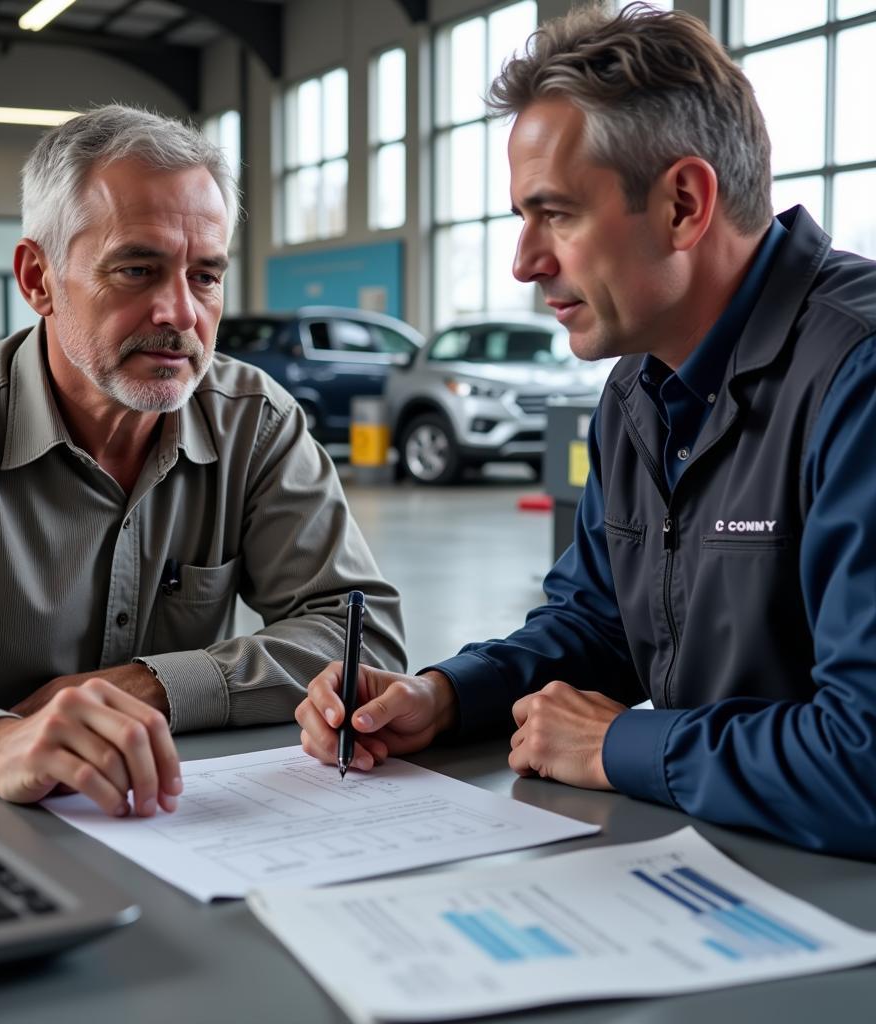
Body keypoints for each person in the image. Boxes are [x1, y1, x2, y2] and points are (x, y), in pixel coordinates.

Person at [297, 3, 876, 857]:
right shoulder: (638, 388)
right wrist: (445, 696)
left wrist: (618, 745)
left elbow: (863, 761)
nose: (525, 261)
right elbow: (602, 625)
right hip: (718, 866)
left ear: (683, 204)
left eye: (556, 215)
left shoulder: (855, 378)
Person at [0, 104, 405, 820]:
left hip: (180, 813)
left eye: (205, 276)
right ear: (38, 278)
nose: (178, 312)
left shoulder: (254, 423)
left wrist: (150, 686)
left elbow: (360, 635)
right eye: (137, 269)